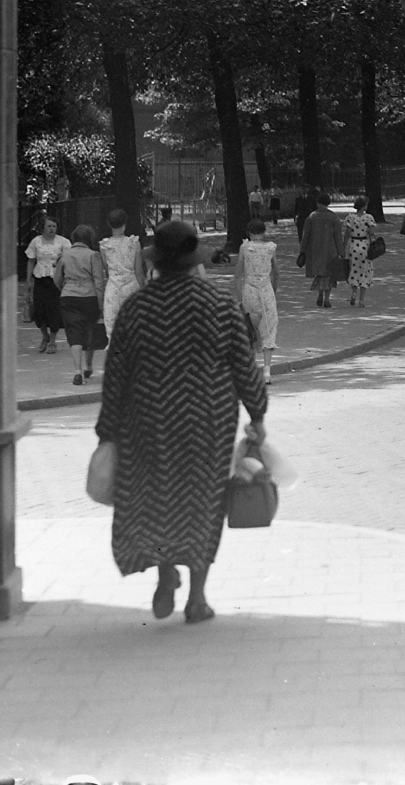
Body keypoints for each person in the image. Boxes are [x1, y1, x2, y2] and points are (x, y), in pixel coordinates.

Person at [96, 220, 267, 625]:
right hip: (207, 423)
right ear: (194, 261)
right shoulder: (219, 305)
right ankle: (197, 598)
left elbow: (115, 373)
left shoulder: (137, 308)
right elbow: (244, 366)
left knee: (158, 499)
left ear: (156, 262)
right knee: (202, 503)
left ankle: (165, 574)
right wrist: (257, 414)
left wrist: (107, 431)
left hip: (148, 421)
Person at [56, 226, 109, 387]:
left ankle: (77, 371)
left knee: (74, 333)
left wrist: (65, 288)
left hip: (69, 296)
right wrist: (101, 304)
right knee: (89, 330)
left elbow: (57, 278)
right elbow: (98, 281)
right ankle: (89, 366)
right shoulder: (93, 255)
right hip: (89, 296)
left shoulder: (64, 255)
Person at [234, 218, 280, 379]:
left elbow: (238, 275)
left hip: (249, 291)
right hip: (266, 290)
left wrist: (240, 297)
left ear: (250, 233)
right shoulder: (271, 248)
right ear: (264, 232)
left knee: (249, 329)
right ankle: (267, 370)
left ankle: (250, 368)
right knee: (268, 328)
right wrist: (273, 291)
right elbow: (276, 274)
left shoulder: (245, 248)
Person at [24, 216, 69, 354]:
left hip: (56, 279)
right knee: (39, 309)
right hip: (40, 278)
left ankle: (53, 340)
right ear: (43, 228)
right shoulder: (36, 241)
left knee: (54, 309)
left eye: (54, 226)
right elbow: (31, 261)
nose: (51, 229)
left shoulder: (63, 242)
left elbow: (68, 261)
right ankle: (45, 336)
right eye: (49, 226)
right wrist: (28, 280)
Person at [99, 209, 147, 338]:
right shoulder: (134, 243)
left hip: (113, 287)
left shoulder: (104, 245)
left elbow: (107, 270)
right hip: (131, 286)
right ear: (125, 223)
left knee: (112, 326)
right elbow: (139, 271)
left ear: (109, 224)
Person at [296, 190, 347, 309]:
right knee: (330, 275)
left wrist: (302, 250)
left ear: (318, 203)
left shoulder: (312, 217)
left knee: (319, 273)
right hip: (331, 250)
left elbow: (305, 235)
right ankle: (327, 299)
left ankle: (320, 293)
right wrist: (341, 251)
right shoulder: (333, 217)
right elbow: (338, 236)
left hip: (315, 250)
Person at [341, 198, 376, 307]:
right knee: (365, 271)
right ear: (363, 206)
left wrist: (343, 246)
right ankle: (361, 300)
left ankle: (354, 292)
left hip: (353, 245)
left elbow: (347, 233)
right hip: (364, 246)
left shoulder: (350, 218)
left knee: (353, 270)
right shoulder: (369, 218)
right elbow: (372, 232)